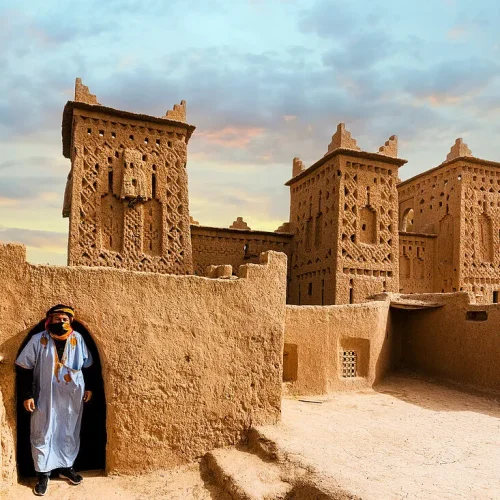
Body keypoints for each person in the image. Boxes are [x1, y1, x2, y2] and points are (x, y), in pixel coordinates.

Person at [15, 305, 93, 496]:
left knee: (68, 430)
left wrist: (89, 387)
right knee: (43, 431)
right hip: (45, 396)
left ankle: (67, 467)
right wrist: (27, 395)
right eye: (58, 319)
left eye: (65, 319)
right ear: (50, 320)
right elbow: (24, 367)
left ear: (70, 321)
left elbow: (88, 365)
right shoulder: (38, 340)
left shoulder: (78, 339)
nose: (61, 322)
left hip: (70, 398)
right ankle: (42, 474)